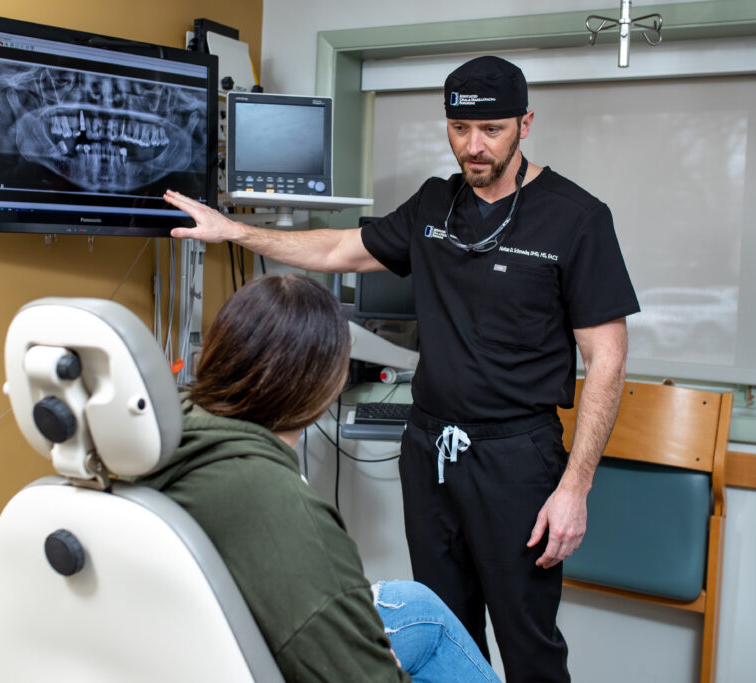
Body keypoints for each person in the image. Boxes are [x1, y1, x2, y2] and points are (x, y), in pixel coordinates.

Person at [163, 56, 640, 682]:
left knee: (529, 644)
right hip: (430, 450)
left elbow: (608, 359)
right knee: (447, 630)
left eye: (492, 130)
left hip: (518, 460)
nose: (473, 146)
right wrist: (235, 232)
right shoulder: (434, 205)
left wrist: (574, 490)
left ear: (525, 124)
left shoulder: (577, 218)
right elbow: (337, 248)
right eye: (459, 129)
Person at [136, 274, 500, 683]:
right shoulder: (284, 508)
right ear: (322, 385)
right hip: (255, 658)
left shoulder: (158, 437)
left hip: (182, 647)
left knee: (418, 607)